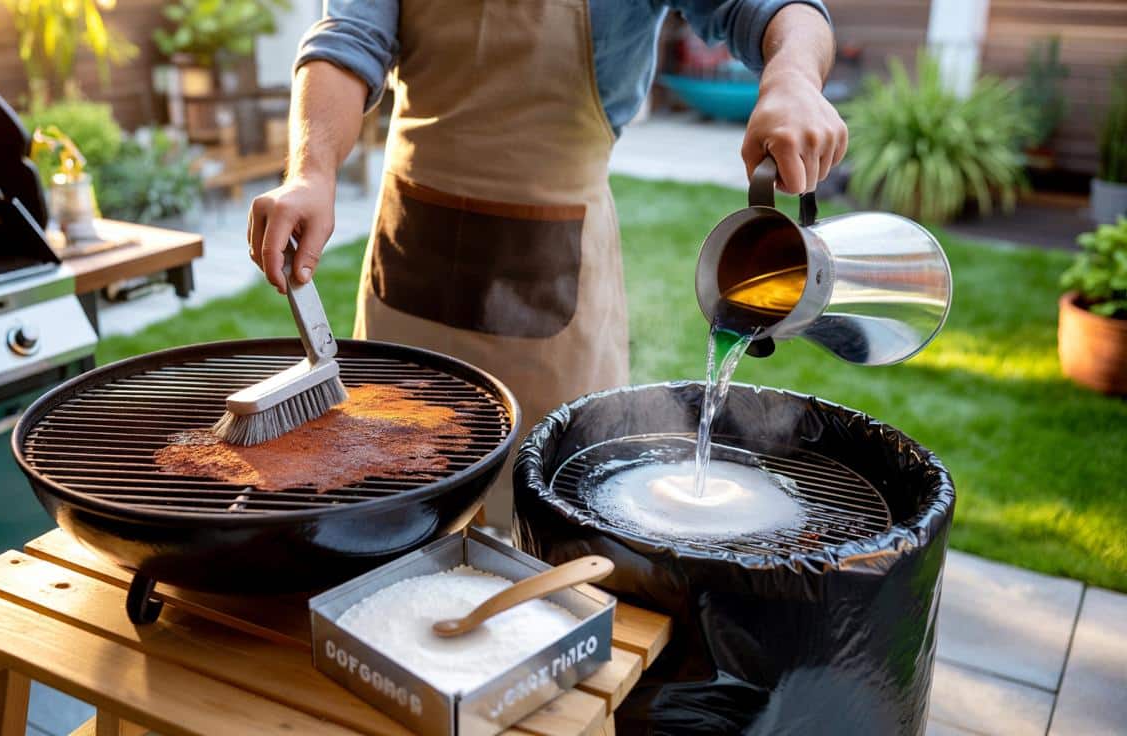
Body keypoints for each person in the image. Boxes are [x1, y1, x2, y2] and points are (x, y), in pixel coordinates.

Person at [248, 1, 847, 525]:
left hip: (554, 281)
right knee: (386, 495)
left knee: (553, 515)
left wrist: (792, 77)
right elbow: (348, 39)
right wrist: (311, 171)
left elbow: (778, 8)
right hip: (412, 261)